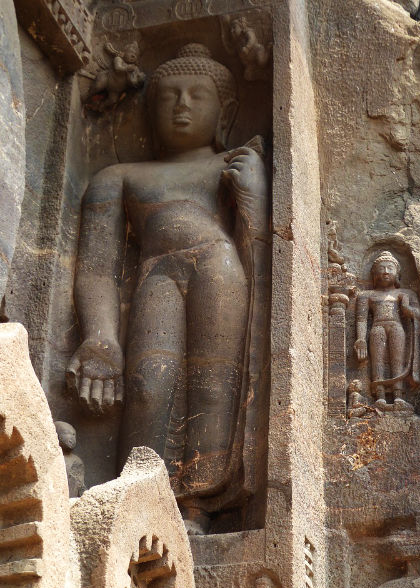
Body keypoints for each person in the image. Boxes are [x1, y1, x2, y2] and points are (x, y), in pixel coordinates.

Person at [67, 44, 269, 532]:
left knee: (213, 386)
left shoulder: (235, 163)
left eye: (197, 95)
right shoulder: (118, 177)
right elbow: (96, 268)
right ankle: (140, 499)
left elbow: (262, 241)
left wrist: (255, 199)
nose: (181, 105)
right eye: (168, 96)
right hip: (156, 274)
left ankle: (196, 506)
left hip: (219, 269)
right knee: (146, 385)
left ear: (226, 112)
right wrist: (101, 338)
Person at [354, 251, 420, 411]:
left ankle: (399, 396)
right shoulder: (366, 296)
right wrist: (360, 339)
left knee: (397, 361)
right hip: (377, 327)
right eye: (381, 268)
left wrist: (406, 308)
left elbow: (417, 315)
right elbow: (361, 319)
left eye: (390, 268)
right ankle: (380, 396)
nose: (385, 272)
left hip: (396, 327)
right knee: (377, 361)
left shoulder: (406, 294)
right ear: (374, 273)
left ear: (397, 273)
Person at [55, 421, 86, 498]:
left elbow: (80, 486)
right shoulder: (52, 458)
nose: (71, 438)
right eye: (66, 433)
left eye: (73, 434)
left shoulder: (76, 461)